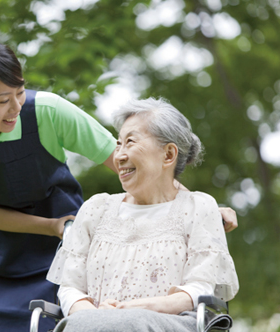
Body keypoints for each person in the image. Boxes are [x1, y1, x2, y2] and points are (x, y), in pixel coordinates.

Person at [0, 39, 238, 332]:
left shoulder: (46, 110)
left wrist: (197, 208)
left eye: (20, 92)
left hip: (60, 251)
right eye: (3, 100)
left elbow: (129, 162)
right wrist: (52, 225)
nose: (16, 107)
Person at [46, 97, 240, 332]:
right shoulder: (95, 209)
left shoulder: (198, 207)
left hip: (170, 323)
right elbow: (69, 288)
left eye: (130, 142)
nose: (118, 156)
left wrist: (129, 311)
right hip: (92, 324)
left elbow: (199, 289)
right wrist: (98, 318)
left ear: (168, 155)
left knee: (131, 323)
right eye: (118, 144)